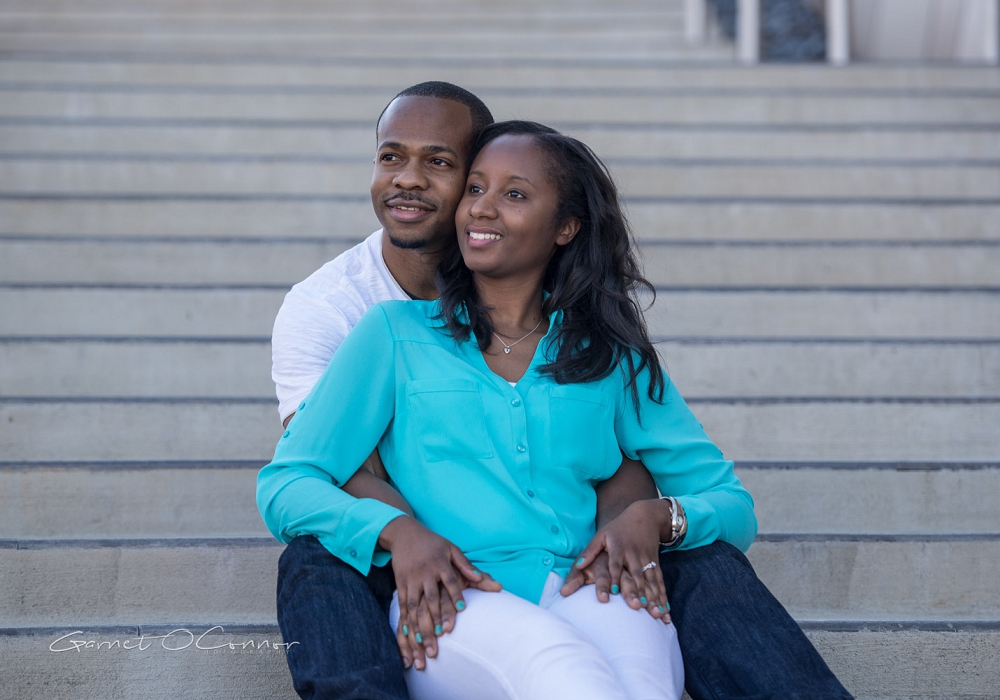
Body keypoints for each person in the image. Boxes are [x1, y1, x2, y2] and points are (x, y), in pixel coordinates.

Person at [268, 82, 852, 700]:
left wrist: (656, 516)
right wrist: (400, 532)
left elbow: (728, 502)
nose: (481, 209)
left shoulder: (606, 349)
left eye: (512, 193)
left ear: (566, 227)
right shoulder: (385, 331)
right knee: (565, 672)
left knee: (644, 683)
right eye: (477, 190)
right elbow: (293, 479)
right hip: (456, 589)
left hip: (587, 582)